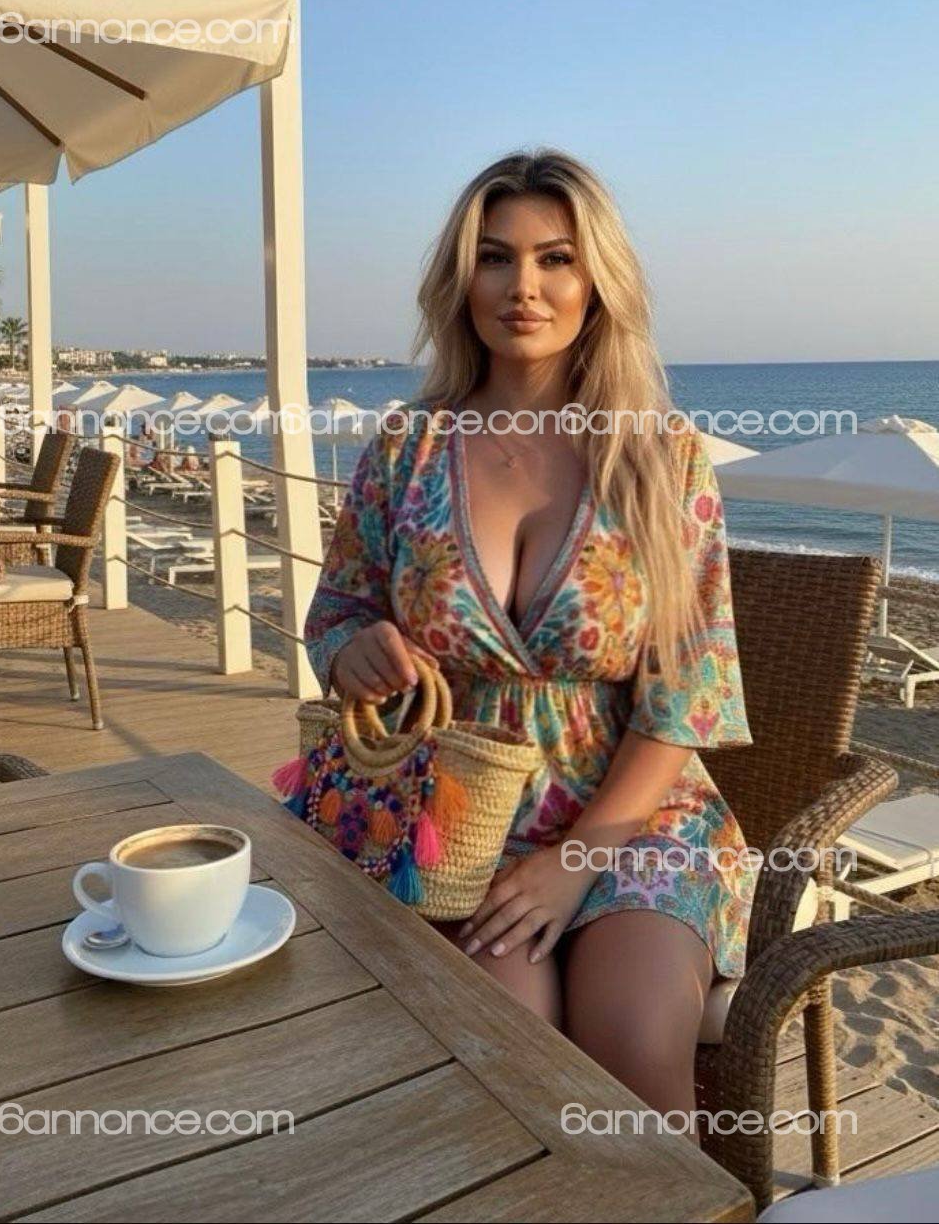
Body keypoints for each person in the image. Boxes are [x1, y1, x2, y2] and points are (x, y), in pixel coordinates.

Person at [302, 148, 754, 1124]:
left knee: (633, 1039)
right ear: (460, 279)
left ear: (597, 280)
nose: (524, 287)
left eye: (556, 258)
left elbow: (687, 695)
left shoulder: (659, 456)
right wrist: (353, 649)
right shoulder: (408, 448)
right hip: (460, 813)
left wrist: (577, 859)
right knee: (504, 1041)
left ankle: (680, 1195)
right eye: (495, 257)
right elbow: (334, 610)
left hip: (634, 813)